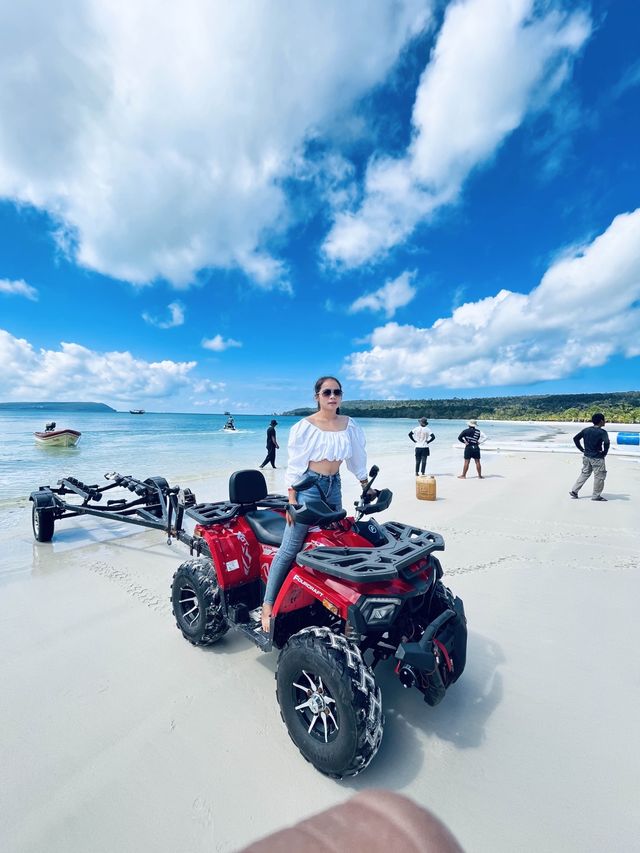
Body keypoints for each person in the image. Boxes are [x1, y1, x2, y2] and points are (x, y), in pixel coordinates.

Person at [261, 376, 370, 632]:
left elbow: (356, 459)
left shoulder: (349, 425)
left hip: (334, 487)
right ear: (317, 396)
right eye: (327, 392)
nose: (332, 397)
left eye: (337, 392)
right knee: (290, 547)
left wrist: (367, 486)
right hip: (308, 488)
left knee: (335, 542)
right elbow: (296, 466)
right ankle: (267, 605)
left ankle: (328, 600)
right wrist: (291, 499)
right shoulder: (305, 427)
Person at [570, 413, 610, 501]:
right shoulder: (602, 432)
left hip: (586, 456)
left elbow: (575, 438)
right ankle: (596, 496)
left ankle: (574, 490)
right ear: (601, 421)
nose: (605, 421)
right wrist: (604, 453)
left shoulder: (586, 430)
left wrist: (582, 449)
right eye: (604, 420)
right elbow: (607, 443)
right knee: (599, 476)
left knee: (584, 473)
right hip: (597, 458)